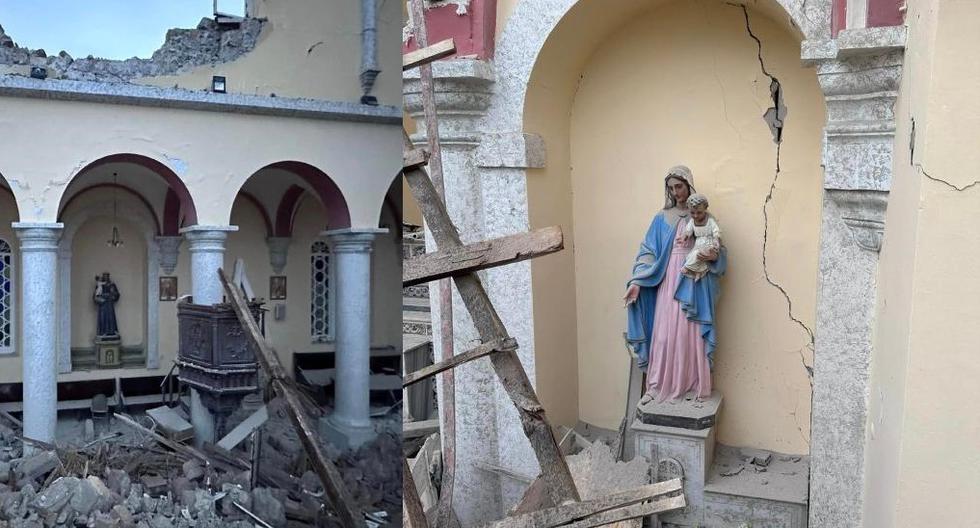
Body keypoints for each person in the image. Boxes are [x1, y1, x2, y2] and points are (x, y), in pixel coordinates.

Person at [624, 166, 727, 402]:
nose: (675, 192)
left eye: (679, 186)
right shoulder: (661, 218)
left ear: (688, 186)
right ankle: (657, 384)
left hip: (694, 280)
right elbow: (648, 252)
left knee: (689, 335)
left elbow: (720, 250)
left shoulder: (704, 217)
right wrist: (638, 282)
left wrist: (713, 256)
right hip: (669, 277)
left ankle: (693, 383)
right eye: (671, 188)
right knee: (663, 334)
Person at [677, 193, 722, 281]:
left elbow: (716, 231)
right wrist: (684, 237)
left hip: (708, 243)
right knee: (692, 256)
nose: (696, 216)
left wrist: (716, 239)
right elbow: (688, 231)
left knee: (697, 254)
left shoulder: (710, 221)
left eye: (699, 212)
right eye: (692, 213)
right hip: (698, 243)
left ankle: (686, 267)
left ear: (705, 209)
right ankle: (698, 272)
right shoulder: (692, 221)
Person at [94, 272, 120, 337]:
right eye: (104, 276)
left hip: (109, 304)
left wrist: (113, 295)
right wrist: (99, 299)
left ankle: (111, 332)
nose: (106, 278)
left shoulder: (112, 284)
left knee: (111, 318)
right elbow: (95, 295)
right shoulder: (99, 285)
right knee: (103, 318)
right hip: (103, 304)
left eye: (107, 276)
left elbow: (116, 294)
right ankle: (102, 332)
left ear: (109, 277)